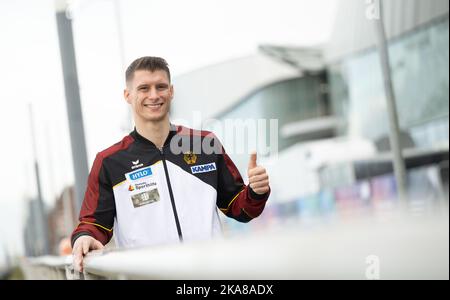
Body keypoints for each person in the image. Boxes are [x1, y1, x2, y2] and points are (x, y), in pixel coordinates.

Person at [71, 56, 271, 272]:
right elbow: (94, 222)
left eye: (161, 87)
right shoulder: (109, 161)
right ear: (128, 95)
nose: (154, 95)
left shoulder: (205, 144)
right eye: (144, 88)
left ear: (171, 91)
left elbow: (239, 208)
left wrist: (256, 192)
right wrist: (85, 236)